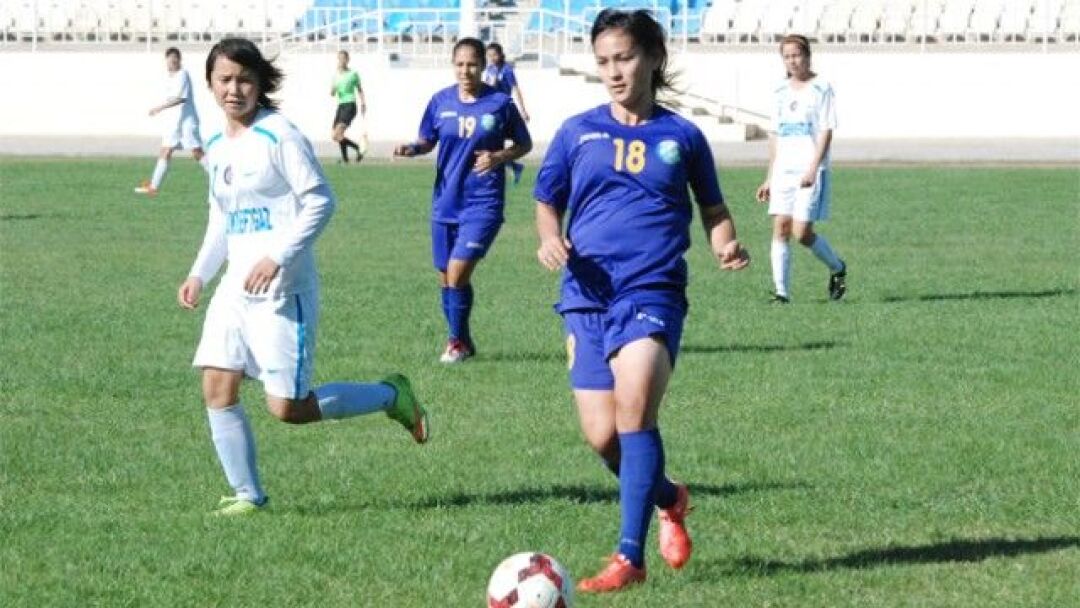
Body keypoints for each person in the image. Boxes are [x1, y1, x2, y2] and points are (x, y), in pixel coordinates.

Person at [534, 9, 749, 593]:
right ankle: (669, 498)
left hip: (652, 290)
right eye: (603, 61)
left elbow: (714, 211)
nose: (613, 71)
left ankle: (628, 558)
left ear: (653, 58)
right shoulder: (576, 132)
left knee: (634, 410)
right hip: (586, 295)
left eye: (624, 58)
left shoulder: (683, 137)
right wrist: (549, 237)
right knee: (604, 438)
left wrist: (725, 244)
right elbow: (547, 200)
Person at [178, 38, 429, 517]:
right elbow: (221, 218)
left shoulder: (280, 136)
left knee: (288, 409)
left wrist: (277, 256)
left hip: (282, 292)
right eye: (225, 79)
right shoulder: (215, 145)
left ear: (260, 84)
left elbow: (320, 201)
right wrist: (198, 274)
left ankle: (391, 395)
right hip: (234, 292)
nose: (234, 89)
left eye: (245, 79)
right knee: (216, 387)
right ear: (210, 84)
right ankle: (248, 496)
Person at [394, 38, 532, 364]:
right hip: (446, 200)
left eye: (472, 64)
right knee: (446, 277)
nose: (465, 71)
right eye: (460, 64)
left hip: (483, 201)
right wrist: (412, 149)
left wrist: (498, 157)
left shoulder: (499, 103)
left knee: (457, 272)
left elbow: (524, 144)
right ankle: (464, 340)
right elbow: (427, 140)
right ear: (453, 65)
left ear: (483, 66)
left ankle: (454, 343)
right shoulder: (440, 101)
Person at [755, 34, 846, 303]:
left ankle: (837, 267)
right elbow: (775, 136)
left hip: (809, 170)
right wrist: (769, 178)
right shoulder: (779, 91)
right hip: (784, 170)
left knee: (801, 232)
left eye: (796, 55)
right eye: (787, 57)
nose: (792, 61)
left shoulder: (822, 88)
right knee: (781, 228)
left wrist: (813, 168)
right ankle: (781, 293)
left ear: (807, 56)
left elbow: (826, 131)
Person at [135, 47, 208, 196]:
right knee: (166, 150)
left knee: (197, 152)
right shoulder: (170, 77)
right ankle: (153, 187)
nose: (171, 62)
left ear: (179, 60)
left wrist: (159, 108)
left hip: (187, 122)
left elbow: (180, 99)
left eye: (174, 60)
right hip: (174, 123)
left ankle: (220, 177)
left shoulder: (183, 75)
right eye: (169, 60)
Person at [483, 42, 529, 184]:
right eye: (489, 55)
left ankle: (506, 166)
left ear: (500, 55)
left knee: (495, 141)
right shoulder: (490, 69)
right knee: (491, 142)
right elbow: (487, 88)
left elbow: (515, 89)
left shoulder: (507, 70)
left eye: (494, 55)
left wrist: (523, 110)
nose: (491, 58)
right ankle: (512, 166)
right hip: (491, 109)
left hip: (503, 109)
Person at [330, 50, 367, 164]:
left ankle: (358, 149)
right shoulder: (336, 75)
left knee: (337, 134)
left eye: (343, 58)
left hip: (350, 105)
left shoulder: (353, 74)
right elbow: (332, 93)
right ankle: (346, 160)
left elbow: (360, 89)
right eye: (339, 58)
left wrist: (363, 103)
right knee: (335, 135)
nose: (341, 60)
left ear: (347, 60)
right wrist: (333, 89)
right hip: (341, 106)